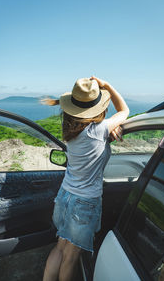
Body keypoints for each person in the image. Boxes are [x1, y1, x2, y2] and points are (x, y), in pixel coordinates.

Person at [42, 76, 129, 281]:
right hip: (84, 203)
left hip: (65, 196)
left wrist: (107, 131)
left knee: (60, 248)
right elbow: (125, 111)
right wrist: (106, 85)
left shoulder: (71, 128)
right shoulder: (99, 130)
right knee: (71, 257)